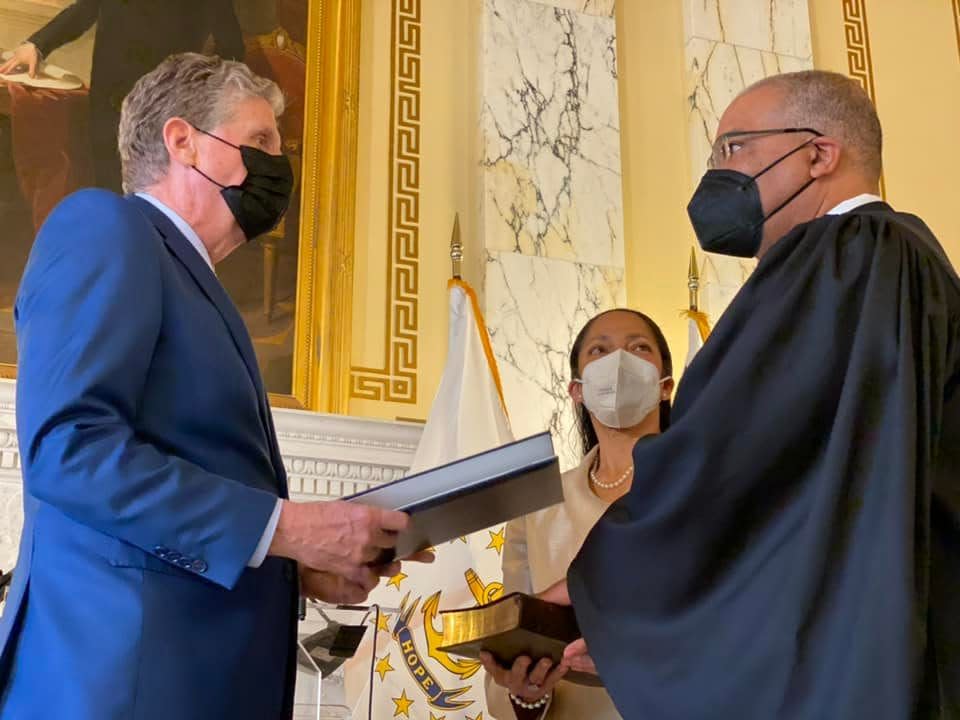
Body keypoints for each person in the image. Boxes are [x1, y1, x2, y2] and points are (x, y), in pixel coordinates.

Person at [0, 53, 429, 719]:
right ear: (182, 141)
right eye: (259, 141)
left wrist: (295, 561)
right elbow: (71, 451)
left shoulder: (194, 283)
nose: (276, 166)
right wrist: (285, 527)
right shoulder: (107, 226)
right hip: (119, 687)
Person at [548, 69, 960, 718]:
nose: (716, 177)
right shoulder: (911, 259)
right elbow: (816, 490)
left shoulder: (842, 252)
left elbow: (735, 445)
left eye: (733, 149)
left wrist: (610, 586)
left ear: (820, 154)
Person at [482, 309, 674, 720]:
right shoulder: (537, 508)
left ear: (665, 386)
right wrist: (525, 694)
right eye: (599, 351)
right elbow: (514, 640)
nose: (618, 361)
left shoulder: (703, 489)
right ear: (577, 390)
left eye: (638, 348)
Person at [0, 0, 245, 192]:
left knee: (154, 195)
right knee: (109, 186)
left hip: (165, 103)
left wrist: (198, 95)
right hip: (110, 96)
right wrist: (38, 45)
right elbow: (86, 9)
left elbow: (231, 47)